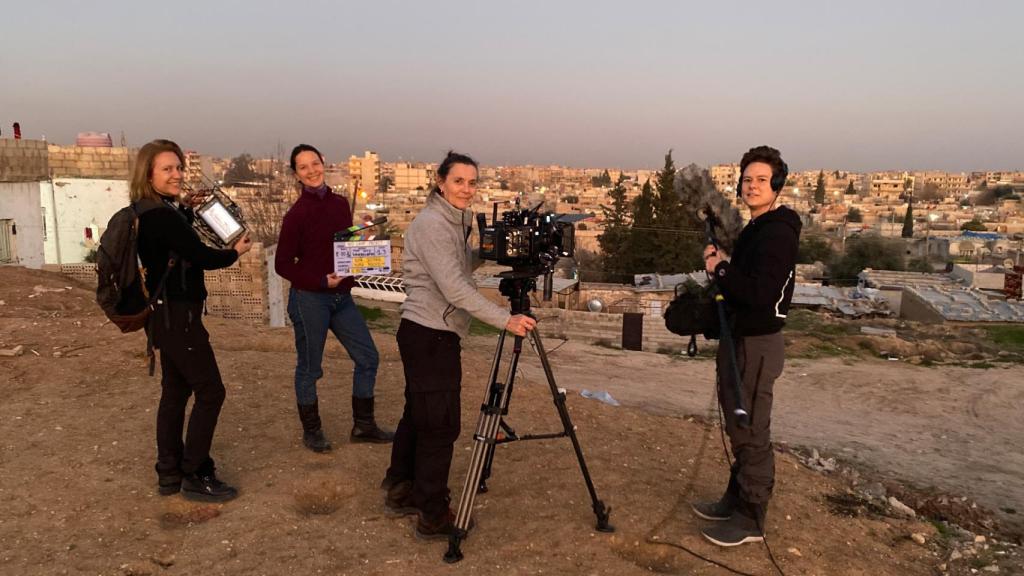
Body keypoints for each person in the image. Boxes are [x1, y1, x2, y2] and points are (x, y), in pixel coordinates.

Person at [380, 151, 537, 540]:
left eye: (472, 182)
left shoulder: (452, 221)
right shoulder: (435, 224)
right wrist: (506, 319)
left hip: (425, 331)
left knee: (419, 414)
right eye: (459, 181)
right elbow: (454, 288)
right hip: (431, 333)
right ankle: (432, 514)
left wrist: (485, 252)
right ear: (440, 181)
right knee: (440, 425)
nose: (467, 189)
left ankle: (401, 488)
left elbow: (456, 266)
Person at [134, 139, 253, 501]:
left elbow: (178, 243)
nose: (177, 175)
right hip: (179, 317)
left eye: (179, 168)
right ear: (149, 174)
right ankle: (196, 472)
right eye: (167, 169)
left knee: (175, 391)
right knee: (210, 391)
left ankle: (169, 471)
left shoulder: (150, 210)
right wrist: (234, 252)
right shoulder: (160, 217)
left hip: (162, 316)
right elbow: (200, 255)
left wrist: (184, 206)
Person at [694, 145, 802, 546]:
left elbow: (760, 292)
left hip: (757, 344)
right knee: (739, 424)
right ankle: (736, 498)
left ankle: (751, 516)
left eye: (761, 179)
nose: (752, 186)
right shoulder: (757, 227)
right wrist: (723, 261)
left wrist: (719, 267)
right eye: (747, 179)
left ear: (776, 184)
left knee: (752, 429)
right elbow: (744, 279)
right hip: (740, 339)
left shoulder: (777, 232)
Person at [275, 144, 393, 453]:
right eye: (304, 167)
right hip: (310, 299)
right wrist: (318, 280)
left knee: (368, 357)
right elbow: (282, 264)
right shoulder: (296, 215)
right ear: (296, 174)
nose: (312, 170)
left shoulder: (340, 203)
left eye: (315, 163)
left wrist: (364, 234)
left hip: (341, 298)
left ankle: (363, 426)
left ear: (323, 163)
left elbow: (343, 245)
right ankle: (312, 431)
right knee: (310, 369)